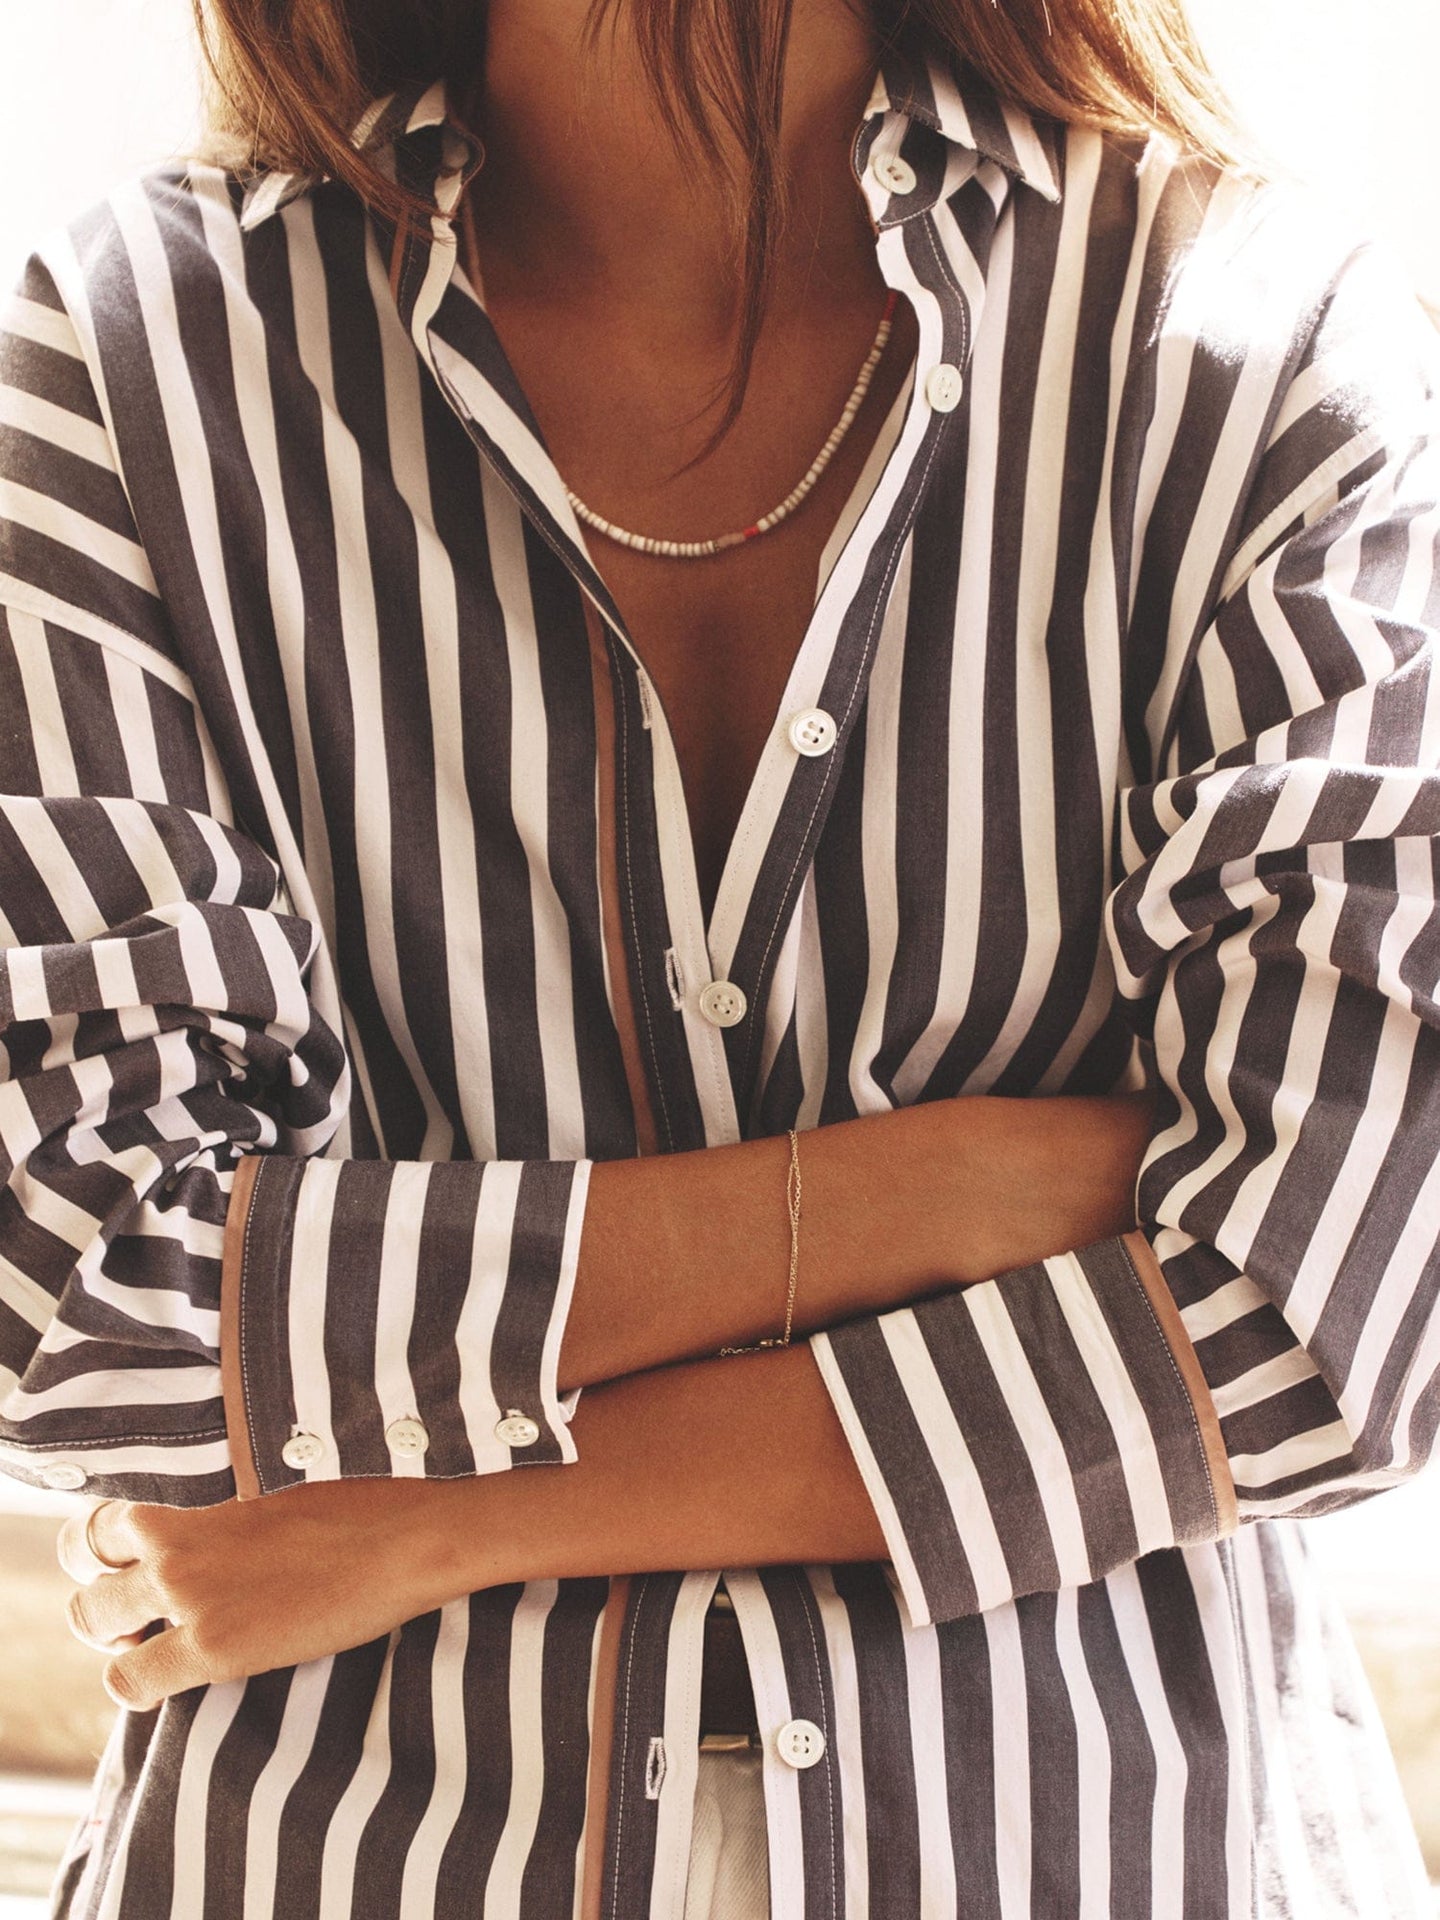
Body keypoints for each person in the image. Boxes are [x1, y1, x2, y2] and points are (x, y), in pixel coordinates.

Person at [1, 0, 1437, 1912]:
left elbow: (1338, 1319)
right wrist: (932, 1190)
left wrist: (448, 1519)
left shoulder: (1263, 350)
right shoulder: (123, 366)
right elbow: (83, 1292)